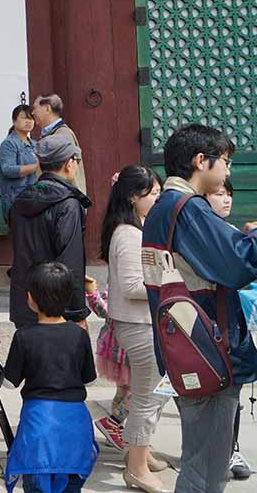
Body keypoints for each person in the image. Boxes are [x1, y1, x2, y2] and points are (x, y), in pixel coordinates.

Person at [142, 123, 257, 493]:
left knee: (204, 463)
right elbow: (238, 264)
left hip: (185, 350)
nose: (227, 171)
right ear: (200, 161)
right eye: (224, 162)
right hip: (208, 351)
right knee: (205, 468)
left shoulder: (164, 208)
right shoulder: (188, 208)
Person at [95, 165, 169, 491]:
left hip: (142, 324)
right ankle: (136, 468)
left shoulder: (136, 228)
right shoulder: (128, 234)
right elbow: (131, 287)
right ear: (132, 197)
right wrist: (172, 279)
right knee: (146, 398)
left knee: (149, 395)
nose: (158, 198)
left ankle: (142, 453)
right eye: (152, 193)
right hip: (137, 326)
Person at [4, 262, 98, 493]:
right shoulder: (79, 335)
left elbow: (8, 382)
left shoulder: (23, 336)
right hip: (75, 425)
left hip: (39, 426)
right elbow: (90, 378)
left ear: (31, 299)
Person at [8, 134, 92, 330]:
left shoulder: (21, 200)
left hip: (25, 301)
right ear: (69, 164)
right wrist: (77, 312)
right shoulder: (68, 204)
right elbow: (71, 262)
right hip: (55, 309)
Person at [206, 179, 253, 482]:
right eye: (218, 194)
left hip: (232, 325)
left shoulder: (235, 234)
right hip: (207, 326)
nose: (226, 200)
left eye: (228, 195)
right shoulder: (201, 233)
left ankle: (231, 448)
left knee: (231, 392)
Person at [83, 274, 132, 453]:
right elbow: (108, 313)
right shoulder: (125, 286)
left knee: (124, 390)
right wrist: (92, 293)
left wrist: (93, 294)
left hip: (116, 348)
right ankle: (113, 423)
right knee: (138, 392)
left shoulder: (117, 283)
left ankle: (115, 432)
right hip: (125, 349)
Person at [32, 94, 86, 195]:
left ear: (47, 108)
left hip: (63, 200)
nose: (33, 112)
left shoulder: (63, 134)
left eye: (35, 108)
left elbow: (68, 174)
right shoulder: (55, 134)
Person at [0, 104, 40, 222]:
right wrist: (35, 167)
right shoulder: (9, 143)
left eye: (31, 118)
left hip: (34, 199)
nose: (28, 121)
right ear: (14, 120)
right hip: (17, 200)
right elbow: (8, 170)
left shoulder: (35, 144)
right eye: (24, 118)